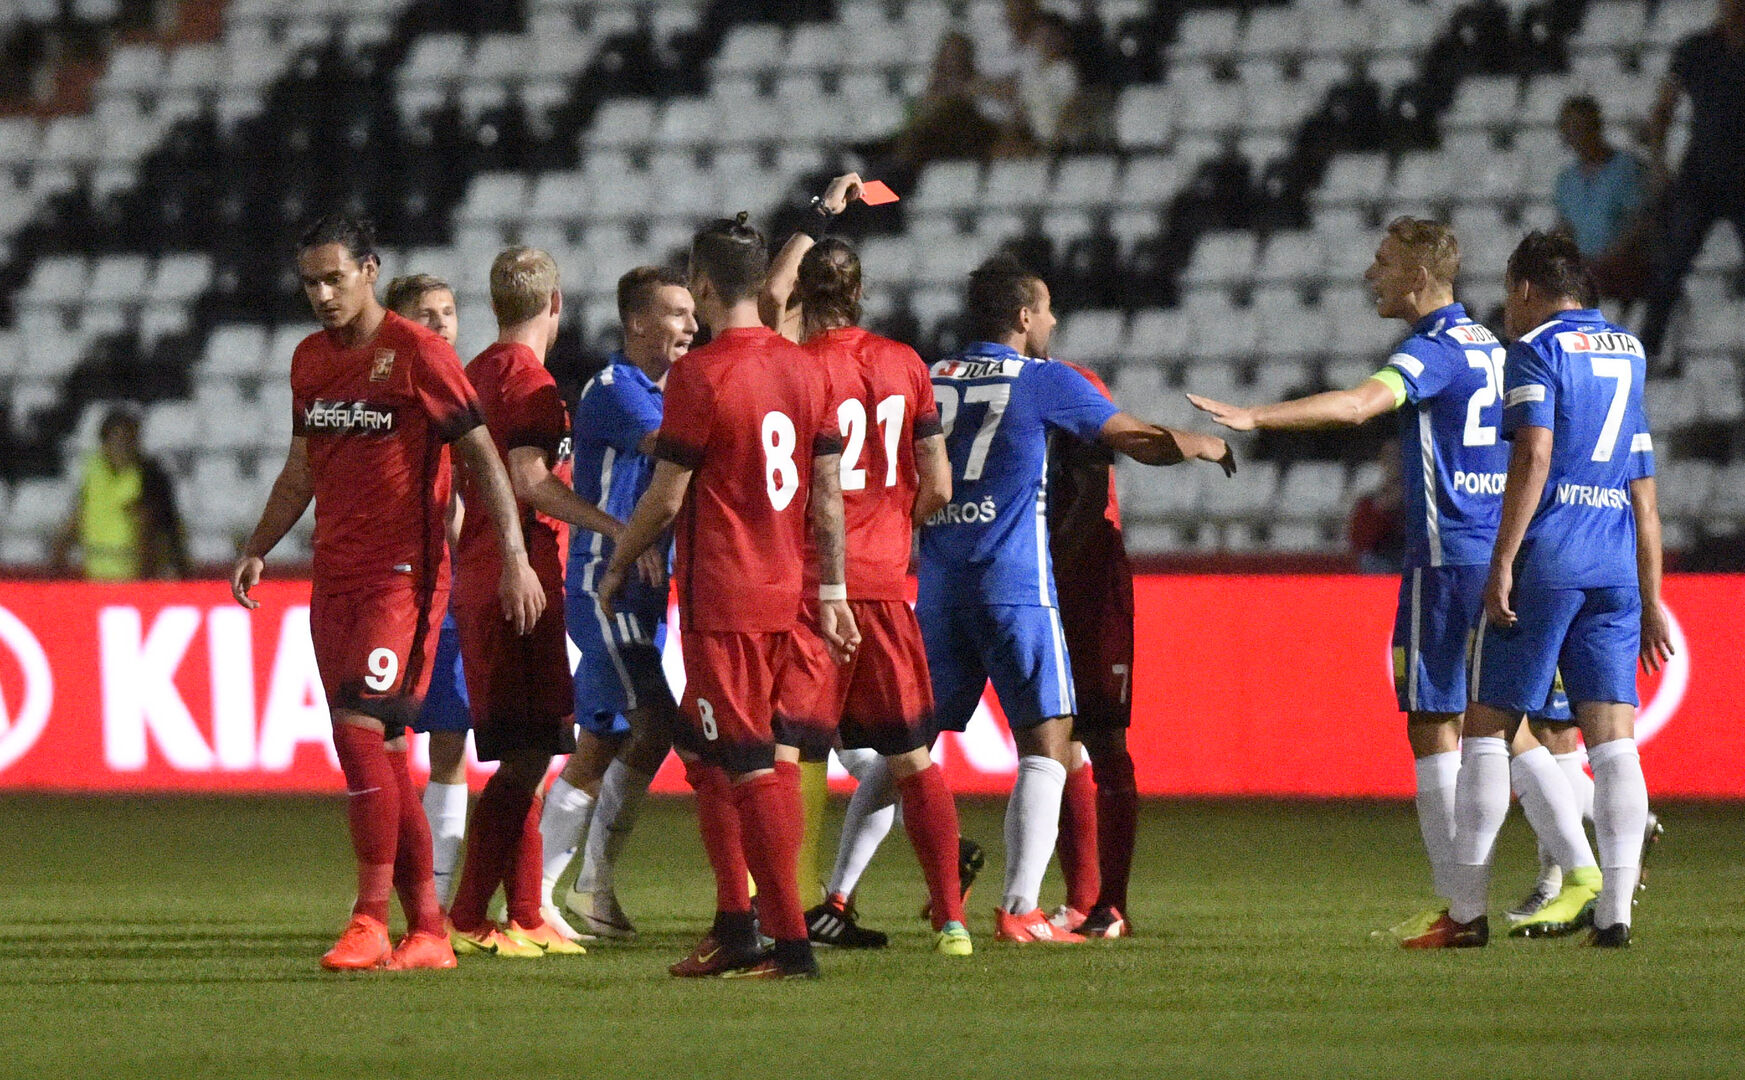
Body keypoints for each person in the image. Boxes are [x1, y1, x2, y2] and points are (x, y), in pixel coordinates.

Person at [1188, 218, 1602, 941]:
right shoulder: (1498, 347)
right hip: (1504, 549)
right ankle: (1576, 869)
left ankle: (1468, 903)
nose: (1370, 274)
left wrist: (1256, 416)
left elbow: (1356, 404)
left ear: (1417, 279)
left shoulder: (1434, 350)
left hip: (1448, 564)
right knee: (1504, 727)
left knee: (1433, 725)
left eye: (1382, 263)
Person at [231, 215, 545, 972]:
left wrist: (511, 555)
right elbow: (300, 468)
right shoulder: (310, 360)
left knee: (361, 729)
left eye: (335, 277)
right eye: (310, 282)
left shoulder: (417, 355)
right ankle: (429, 930)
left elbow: (480, 458)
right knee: (377, 747)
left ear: (369, 270)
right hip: (331, 577)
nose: (322, 294)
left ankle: (370, 919)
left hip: (402, 576)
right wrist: (257, 546)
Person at [924, 253, 1233, 944]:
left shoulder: (929, 377)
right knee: (1060, 741)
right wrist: (1197, 444)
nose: (1055, 320)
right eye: (1048, 307)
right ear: (1024, 316)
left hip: (944, 580)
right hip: (1031, 581)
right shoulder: (1051, 382)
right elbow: (1117, 458)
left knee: (903, 744)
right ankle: (1030, 907)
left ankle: (876, 895)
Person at [599, 214, 856, 979]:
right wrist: (833, 590)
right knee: (704, 753)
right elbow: (828, 498)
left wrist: (619, 559)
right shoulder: (806, 367)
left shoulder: (700, 374)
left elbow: (669, 495)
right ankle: (734, 927)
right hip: (788, 590)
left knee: (745, 766)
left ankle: (791, 945)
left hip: (727, 596)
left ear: (703, 286)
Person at [1404, 231, 1669, 949]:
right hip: (1614, 562)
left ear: (1524, 290)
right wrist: (1649, 599)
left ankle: (1463, 913)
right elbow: (1645, 494)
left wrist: (1502, 561)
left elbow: (1535, 451)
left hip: (1550, 557)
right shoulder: (1628, 351)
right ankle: (1614, 913)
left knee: (1486, 726)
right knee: (1613, 742)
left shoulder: (1536, 349)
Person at [770, 236, 971, 957]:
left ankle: (781, 914)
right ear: (859, 292)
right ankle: (950, 921)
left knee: (787, 753)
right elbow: (939, 484)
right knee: (913, 757)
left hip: (811, 589)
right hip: (885, 587)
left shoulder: (792, 369)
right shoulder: (906, 364)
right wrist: (891, 529)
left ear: (804, 297)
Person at [445, 248, 627, 958]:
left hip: (481, 568)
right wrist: (615, 527)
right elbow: (529, 481)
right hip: (518, 575)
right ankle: (465, 916)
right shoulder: (531, 384)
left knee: (527, 751)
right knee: (525, 759)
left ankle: (522, 913)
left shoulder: (478, 371)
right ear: (555, 304)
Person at [537, 266, 696, 942]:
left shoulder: (658, 390)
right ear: (637, 324)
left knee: (622, 737)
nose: (692, 325)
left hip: (642, 590)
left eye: (694, 312)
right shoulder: (618, 391)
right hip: (603, 584)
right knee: (636, 730)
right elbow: (683, 453)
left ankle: (584, 889)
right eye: (677, 314)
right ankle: (543, 894)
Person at [383, 273, 471, 904]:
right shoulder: (387, 399)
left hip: (456, 585)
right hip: (398, 586)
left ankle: (432, 894)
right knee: (385, 742)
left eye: (448, 312)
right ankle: (394, 889)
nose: (441, 324)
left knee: (449, 741)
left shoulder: (465, 390)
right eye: (426, 315)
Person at [1045, 361, 1139, 940]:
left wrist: (1046, 568)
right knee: (1053, 738)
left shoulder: (1071, 386)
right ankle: (1081, 901)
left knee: (1101, 740)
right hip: (1050, 582)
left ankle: (1113, 905)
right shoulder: (1023, 384)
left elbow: (1089, 495)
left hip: (1091, 584)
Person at [1639, 0, 1745, 361]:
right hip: (1702, 175)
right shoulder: (1696, 48)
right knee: (1671, 266)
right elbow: (1663, 110)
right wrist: (1657, 163)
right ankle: (1647, 351)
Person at [52, 405, 189, 581]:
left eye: (128, 440)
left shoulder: (148, 476)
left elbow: (155, 532)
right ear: (103, 444)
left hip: (134, 577)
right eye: (115, 440)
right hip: (96, 575)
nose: (122, 447)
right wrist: (59, 555)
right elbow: (78, 516)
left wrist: (145, 580)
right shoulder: (94, 473)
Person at [1551, 96, 1651, 304]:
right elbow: (1566, 227)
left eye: (1580, 127)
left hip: (1621, 266)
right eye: (1569, 129)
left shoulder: (1625, 168)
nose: (1575, 135)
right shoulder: (1566, 180)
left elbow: (1640, 222)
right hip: (1585, 269)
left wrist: (1610, 256)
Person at [1347, 439, 1405, 574]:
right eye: (1389, 458)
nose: (1394, 463)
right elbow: (1359, 543)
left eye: (1398, 457)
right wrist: (1381, 512)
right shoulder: (1370, 502)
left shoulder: (1422, 499)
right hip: (1382, 560)